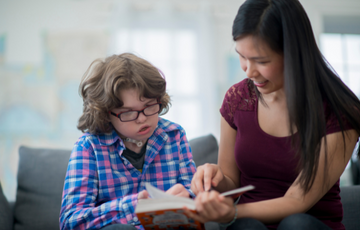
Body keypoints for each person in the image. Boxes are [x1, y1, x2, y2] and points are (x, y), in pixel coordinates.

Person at [186, 0, 360, 229]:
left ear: (294, 52)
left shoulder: (339, 109)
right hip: (248, 224)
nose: (249, 70)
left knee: (295, 224)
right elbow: (231, 183)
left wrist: (232, 212)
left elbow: (297, 200)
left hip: (307, 224)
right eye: (242, 56)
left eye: (261, 61)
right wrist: (214, 179)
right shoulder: (237, 99)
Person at [59, 53, 196, 230]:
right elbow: (70, 222)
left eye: (149, 106)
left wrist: (190, 198)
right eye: (128, 112)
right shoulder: (88, 148)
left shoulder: (174, 136)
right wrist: (135, 206)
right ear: (106, 113)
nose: (142, 119)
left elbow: (194, 197)